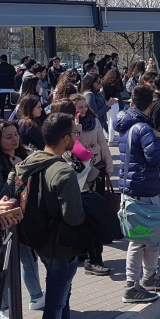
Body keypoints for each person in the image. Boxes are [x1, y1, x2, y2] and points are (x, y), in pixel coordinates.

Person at [16, 113, 94, 319]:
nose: (76, 137)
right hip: (60, 245)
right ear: (65, 139)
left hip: (37, 239)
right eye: (74, 134)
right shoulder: (63, 172)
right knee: (55, 301)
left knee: (61, 291)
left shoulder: (30, 161)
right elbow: (73, 217)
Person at [115, 86, 160, 304]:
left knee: (143, 238)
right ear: (150, 106)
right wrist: (159, 138)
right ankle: (133, 285)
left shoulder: (125, 126)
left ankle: (148, 277)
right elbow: (155, 158)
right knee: (145, 238)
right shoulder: (145, 129)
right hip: (145, 189)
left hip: (131, 189)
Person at [0, 121, 46, 319]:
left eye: (16, 134)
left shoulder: (27, 153)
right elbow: (2, 195)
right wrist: (16, 171)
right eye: (8, 136)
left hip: (27, 219)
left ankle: (36, 296)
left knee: (29, 259)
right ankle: (4, 309)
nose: (14, 139)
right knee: (8, 266)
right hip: (6, 223)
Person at [68, 93, 113, 275]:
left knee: (97, 213)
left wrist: (109, 166)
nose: (83, 110)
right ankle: (90, 258)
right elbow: (76, 149)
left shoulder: (94, 121)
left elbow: (103, 143)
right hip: (82, 176)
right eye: (79, 107)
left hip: (98, 169)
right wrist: (76, 128)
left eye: (84, 106)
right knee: (87, 217)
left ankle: (93, 256)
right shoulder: (71, 127)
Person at [101, 68, 124, 145]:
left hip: (107, 102)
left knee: (109, 120)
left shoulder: (104, 82)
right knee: (113, 121)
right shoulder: (115, 83)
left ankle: (110, 137)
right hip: (114, 101)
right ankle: (111, 140)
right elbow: (121, 89)